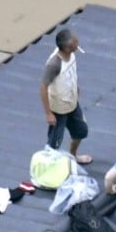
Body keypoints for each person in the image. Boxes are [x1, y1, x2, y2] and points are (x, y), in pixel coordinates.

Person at [39, 28, 92, 164]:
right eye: (75, 42)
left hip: (72, 103)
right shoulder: (54, 64)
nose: (77, 42)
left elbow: (70, 74)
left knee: (81, 131)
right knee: (54, 142)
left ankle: (73, 155)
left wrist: (75, 87)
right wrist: (48, 113)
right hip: (58, 109)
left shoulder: (72, 55)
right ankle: (49, 167)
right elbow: (43, 86)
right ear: (68, 47)